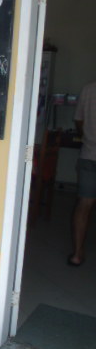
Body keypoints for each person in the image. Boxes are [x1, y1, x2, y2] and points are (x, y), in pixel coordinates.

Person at [70, 81, 96, 266]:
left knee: (84, 204)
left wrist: (87, 137)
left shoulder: (88, 89)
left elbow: (78, 119)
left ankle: (77, 254)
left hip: (89, 154)